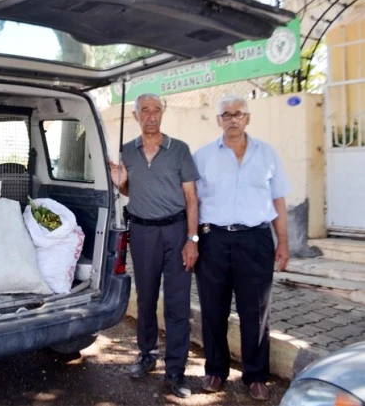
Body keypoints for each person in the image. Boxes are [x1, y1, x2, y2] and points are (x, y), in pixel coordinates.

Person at [193, 95, 290, 402]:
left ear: (247, 118)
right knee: (213, 308)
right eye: (227, 115)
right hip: (214, 240)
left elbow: (278, 200)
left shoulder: (267, 154)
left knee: (256, 311)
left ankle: (256, 375)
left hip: (256, 240)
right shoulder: (203, 156)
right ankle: (216, 370)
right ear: (218, 120)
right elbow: (192, 202)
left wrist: (283, 241)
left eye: (238, 114)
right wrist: (192, 241)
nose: (233, 119)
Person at [109, 93, 200, 399]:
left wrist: (192, 240)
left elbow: (191, 199)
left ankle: (175, 371)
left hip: (175, 233)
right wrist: (120, 182)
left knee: (177, 305)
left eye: (156, 110)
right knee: (146, 299)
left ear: (162, 114)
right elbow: (128, 189)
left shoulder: (180, 150)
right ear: (135, 116)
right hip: (143, 233)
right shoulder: (127, 152)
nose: (151, 115)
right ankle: (147, 355)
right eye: (145, 110)